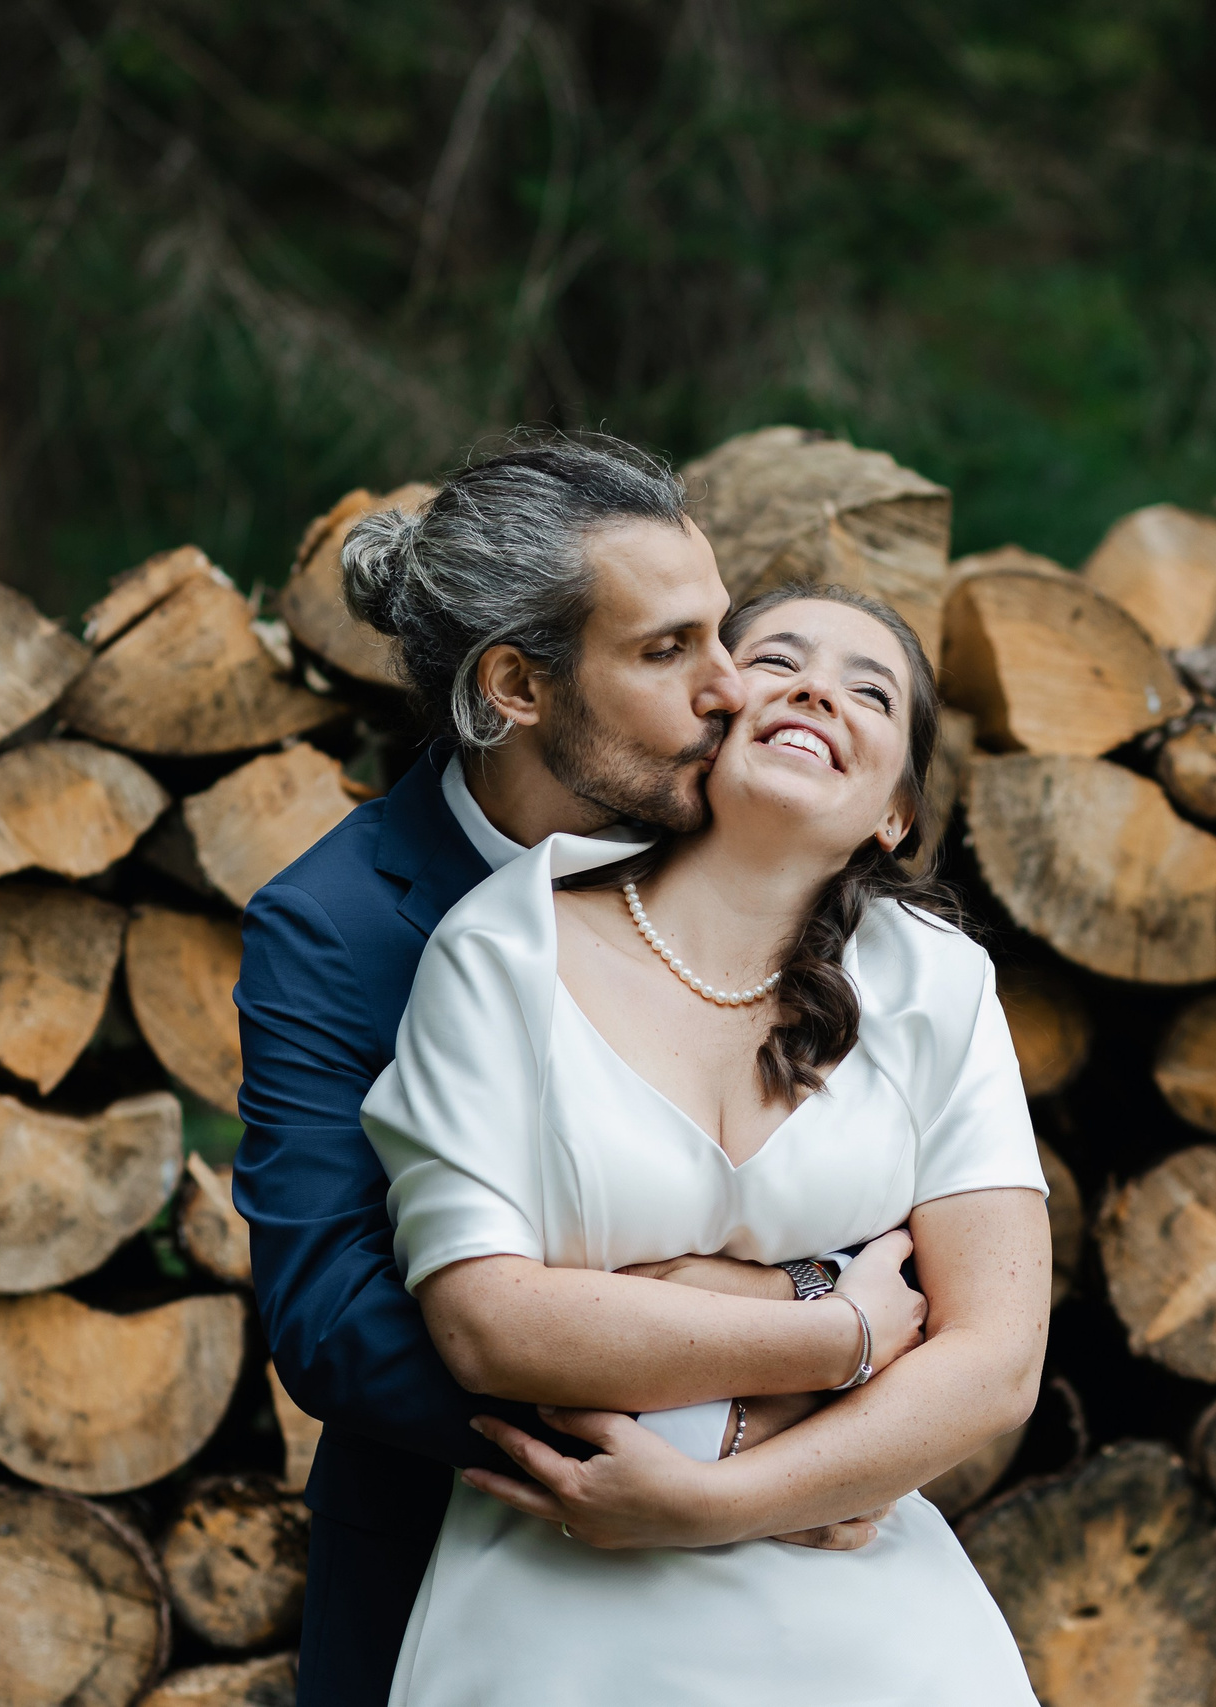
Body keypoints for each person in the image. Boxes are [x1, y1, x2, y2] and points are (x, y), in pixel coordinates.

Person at [232, 435, 1031, 1706]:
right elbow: (335, 1318)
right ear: (518, 687)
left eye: (727, 636)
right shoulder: (348, 922)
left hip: (817, 1566)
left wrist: (766, 1460)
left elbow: (972, 1311)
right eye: (670, 652)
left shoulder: (828, 909)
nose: (734, 690)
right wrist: (769, 1367)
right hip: (489, 1538)